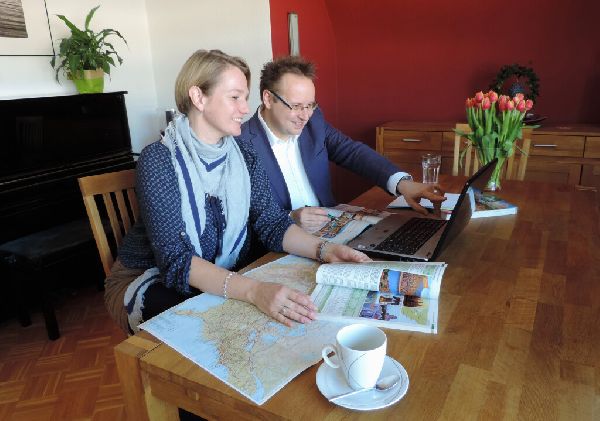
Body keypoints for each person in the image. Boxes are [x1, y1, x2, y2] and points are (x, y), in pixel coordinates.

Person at [104, 49, 370, 334]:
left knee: (280, 315)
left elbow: (271, 222)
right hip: (150, 277)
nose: (245, 109)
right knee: (233, 326)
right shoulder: (159, 159)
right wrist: (254, 291)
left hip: (222, 270)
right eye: (235, 97)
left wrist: (325, 250)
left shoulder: (243, 153)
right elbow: (175, 260)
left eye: (245, 98)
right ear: (198, 97)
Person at [239, 56, 446, 232]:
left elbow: (352, 152)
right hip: (281, 245)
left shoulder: (313, 122)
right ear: (268, 98)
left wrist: (402, 184)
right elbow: (240, 219)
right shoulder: (241, 144)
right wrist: (290, 218)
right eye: (296, 106)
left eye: (310, 105)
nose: (305, 115)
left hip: (332, 230)